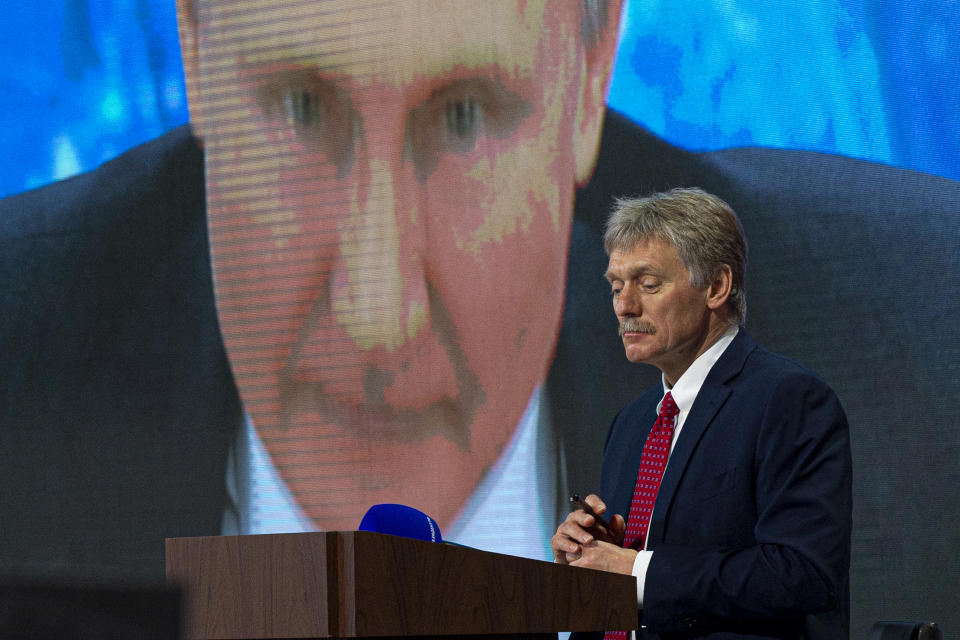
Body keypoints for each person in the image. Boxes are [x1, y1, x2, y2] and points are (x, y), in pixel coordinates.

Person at [551, 188, 852, 639]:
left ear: (716, 287)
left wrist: (638, 570)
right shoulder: (632, 424)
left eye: (648, 284)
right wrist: (595, 554)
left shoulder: (786, 399)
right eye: (616, 286)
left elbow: (802, 573)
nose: (624, 306)